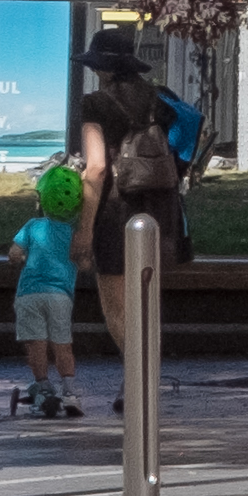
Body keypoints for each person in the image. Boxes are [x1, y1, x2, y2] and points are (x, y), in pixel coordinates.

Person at [75, 38, 187, 393]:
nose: (93, 72)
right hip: (159, 209)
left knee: (116, 303)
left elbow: (96, 169)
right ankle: (145, 378)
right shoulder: (160, 101)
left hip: (114, 210)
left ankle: (139, 381)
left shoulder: (94, 105)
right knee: (147, 300)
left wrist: (84, 230)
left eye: (95, 66)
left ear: (104, 70)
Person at [8, 164, 88, 420]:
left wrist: (21, 258)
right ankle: (70, 392)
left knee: (36, 345)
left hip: (29, 294)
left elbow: (14, 253)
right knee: (63, 345)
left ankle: (43, 388)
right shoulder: (76, 233)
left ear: (42, 199)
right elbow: (85, 263)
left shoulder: (33, 226)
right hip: (61, 296)